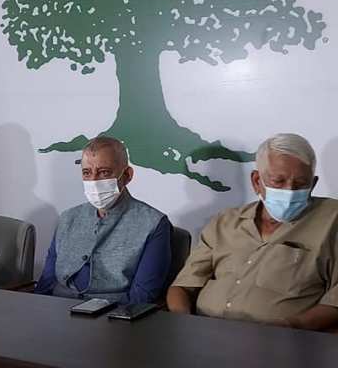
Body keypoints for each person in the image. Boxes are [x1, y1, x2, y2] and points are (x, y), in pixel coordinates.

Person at [167, 133, 338, 331]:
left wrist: (291, 326)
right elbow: (182, 286)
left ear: (313, 184)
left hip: (281, 340)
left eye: (300, 184)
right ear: (257, 181)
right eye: (278, 181)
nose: (290, 191)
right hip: (204, 331)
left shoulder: (331, 220)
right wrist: (185, 326)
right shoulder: (225, 222)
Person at [35, 137, 171, 304]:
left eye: (104, 172)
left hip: (112, 314)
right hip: (57, 309)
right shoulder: (67, 218)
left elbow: (142, 296)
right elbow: (46, 283)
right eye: (87, 173)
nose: (94, 181)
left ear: (127, 175)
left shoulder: (153, 223)